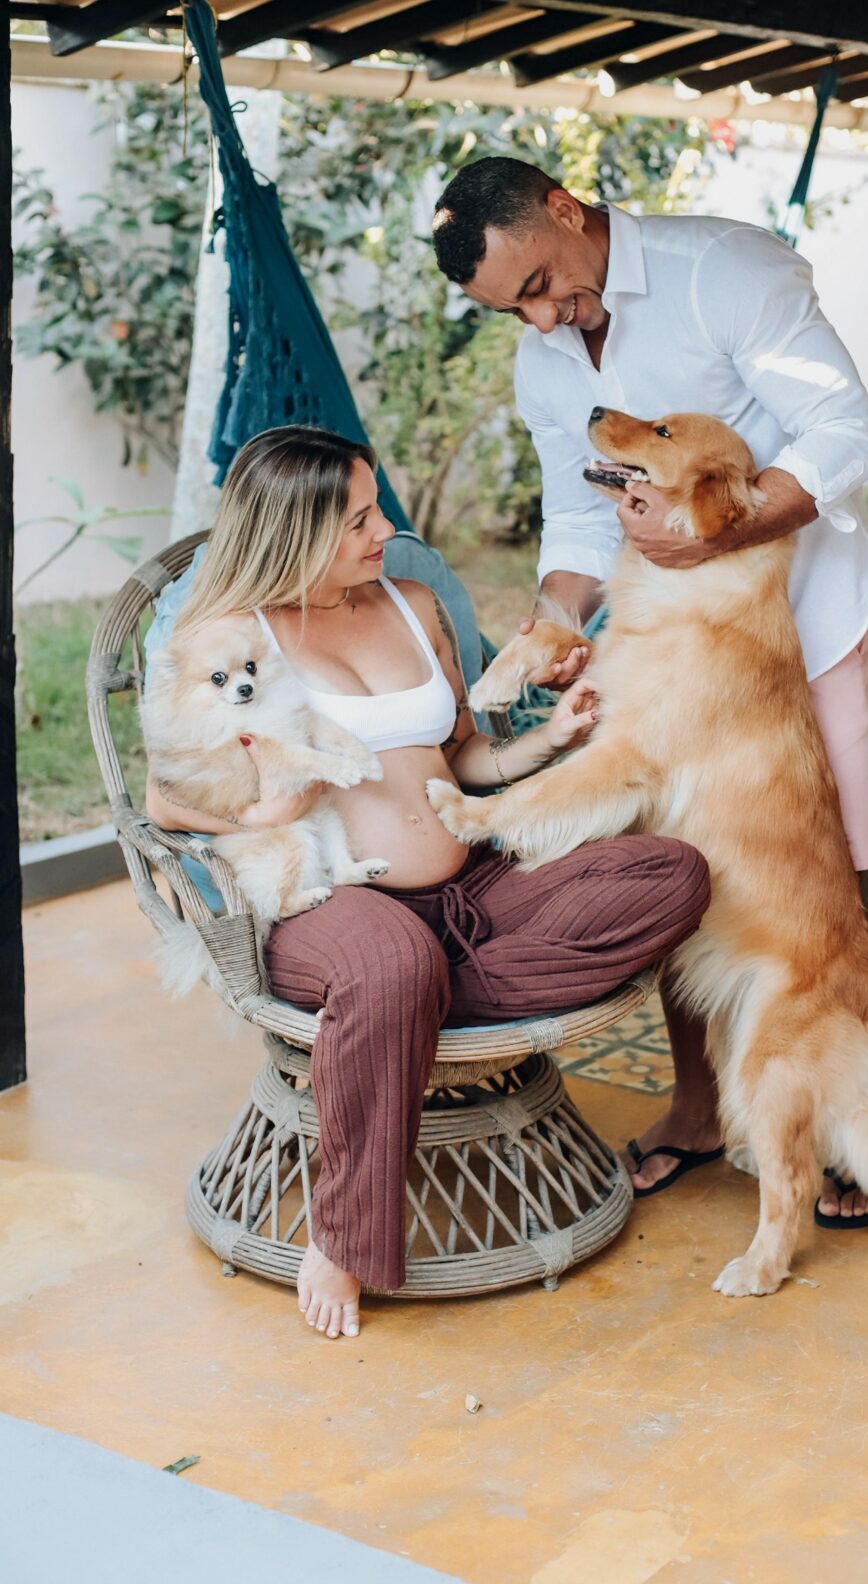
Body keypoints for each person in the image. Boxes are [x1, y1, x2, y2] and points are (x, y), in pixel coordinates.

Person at [145, 426, 712, 1339]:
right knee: (389, 961)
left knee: (669, 872)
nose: (385, 531)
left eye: (376, 507)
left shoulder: (411, 604)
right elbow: (162, 798)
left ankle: (408, 1009)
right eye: (358, 520)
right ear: (293, 532)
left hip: (471, 886)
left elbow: (464, 758)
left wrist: (550, 737)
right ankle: (347, 1235)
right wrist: (257, 819)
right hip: (332, 904)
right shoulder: (235, 640)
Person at [432, 157, 868, 1225]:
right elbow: (576, 512)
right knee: (677, 870)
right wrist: (554, 620)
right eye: (513, 310)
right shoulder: (545, 358)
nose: (541, 320)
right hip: (667, 641)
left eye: (539, 285)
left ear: (563, 209)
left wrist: (714, 532)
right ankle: (695, 1109)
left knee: (834, 874)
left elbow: (845, 431)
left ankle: (846, 1123)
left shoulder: (722, 269)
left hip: (802, 623)